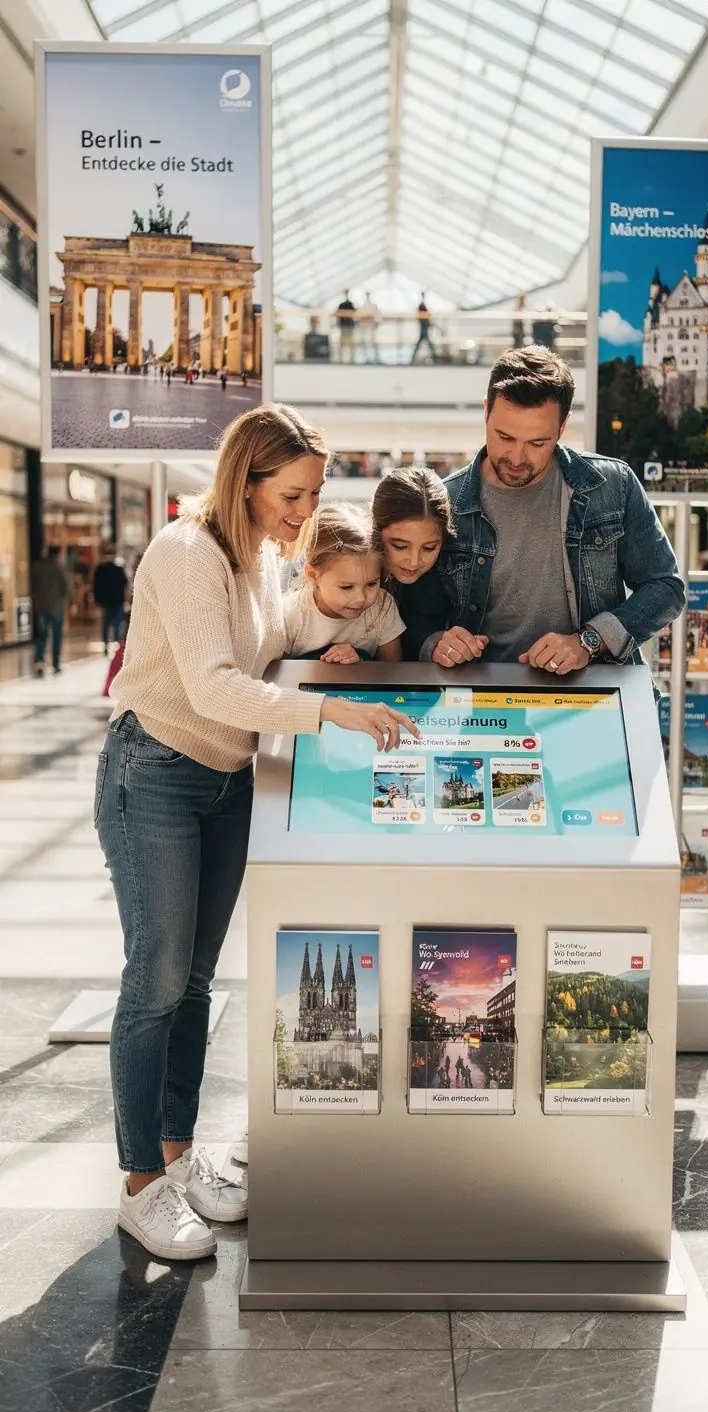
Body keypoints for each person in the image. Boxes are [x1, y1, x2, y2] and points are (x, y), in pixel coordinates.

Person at [95, 402, 417, 1263]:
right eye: (292, 495)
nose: (305, 512)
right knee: (156, 981)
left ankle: (177, 1156)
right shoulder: (186, 553)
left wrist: (343, 656)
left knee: (195, 982)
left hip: (226, 780)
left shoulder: (264, 560)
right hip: (154, 774)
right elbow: (213, 686)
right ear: (246, 481)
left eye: (314, 494)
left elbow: (276, 652)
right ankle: (140, 1185)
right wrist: (331, 710)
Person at [398, 346, 685, 673]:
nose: (517, 458)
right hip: (481, 694)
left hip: (595, 690)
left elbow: (665, 588)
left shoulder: (612, 485)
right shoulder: (445, 502)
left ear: (562, 427)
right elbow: (414, 617)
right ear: (486, 411)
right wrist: (437, 643)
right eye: (504, 437)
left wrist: (588, 641)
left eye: (537, 443)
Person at [283, 503, 404, 663]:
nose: (360, 598)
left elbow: (393, 671)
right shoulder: (290, 616)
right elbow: (277, 674)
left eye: (371, 584)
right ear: (313, 576)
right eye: (347, 587)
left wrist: (360, 664)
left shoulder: (383, 607)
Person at [371, 466, 455, 658]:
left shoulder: (449, 576)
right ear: (376, 529)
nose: (414, 562)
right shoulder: (349, 565)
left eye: (429, 548)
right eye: (400, 546)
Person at [31, 544, 70, 677]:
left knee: (42, 635)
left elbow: (33, 586)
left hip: (41, 606)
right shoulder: (59, 567)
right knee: (57, 636)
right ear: (58, 554)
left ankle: (39, 661)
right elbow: (66, 586)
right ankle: (56, 664)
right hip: (56, 607)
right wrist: (71, 601)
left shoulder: (37, 566)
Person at [93, 547, 128, 655]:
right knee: (117, 624)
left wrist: (97, 600)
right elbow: (125, 583)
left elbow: (95, 586)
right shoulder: (118, 568)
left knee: (106, 624)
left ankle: (106, 645)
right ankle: (116, 645)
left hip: (105, 601)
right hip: (117, 600)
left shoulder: (100, 569)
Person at [411, 293, 437, 364]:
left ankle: (413, 357)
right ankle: (435, 356)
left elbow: (425, 316)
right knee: (427, 342)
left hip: (424, 325)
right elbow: (423, 317)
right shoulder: (422, 306)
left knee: (424, 342)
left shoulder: (423, 305)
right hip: (424, 326)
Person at [358, 291, 381, 363]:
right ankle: (365, 358)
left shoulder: (373, 306)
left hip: (371, 328)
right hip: (364, 328)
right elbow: (358, 317)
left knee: (372, 342)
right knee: (365, 343)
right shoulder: (362, 306)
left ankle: (373, 358)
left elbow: (377, 318)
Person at [335, 289, 357, 363]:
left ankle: (352, 359)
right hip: (343, 326)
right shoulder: (341, 304)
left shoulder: (351, 304)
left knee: (351, 343)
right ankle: (340, 359)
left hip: (349, 326)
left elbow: (355, 314)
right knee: (342, 343)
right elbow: (338, 315)